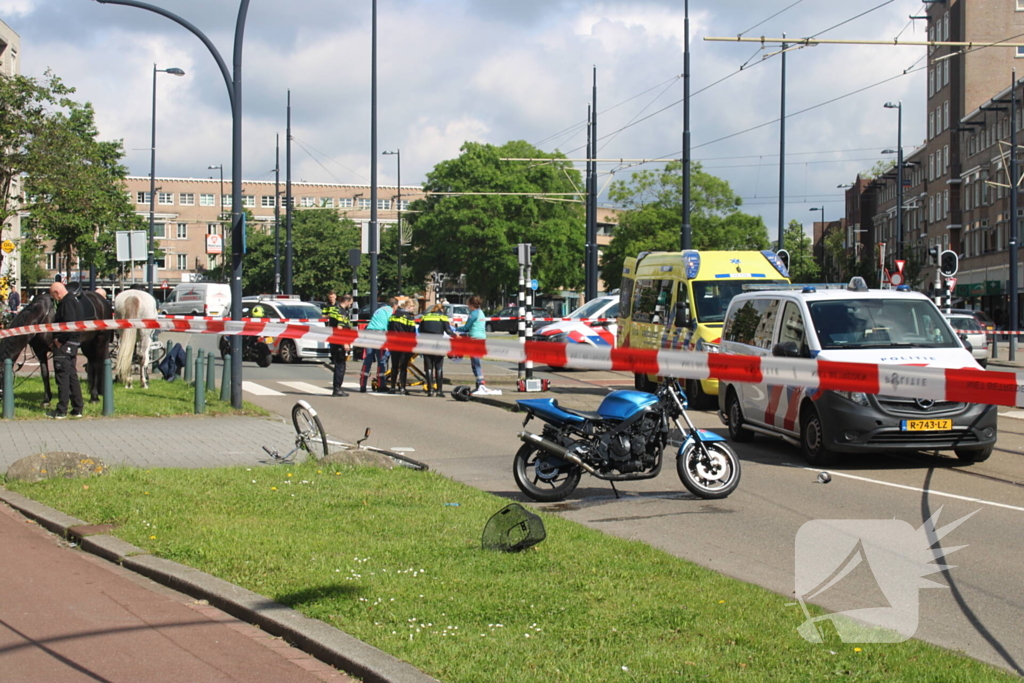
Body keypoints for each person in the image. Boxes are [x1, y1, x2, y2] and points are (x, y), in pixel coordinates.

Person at [48, 282, 84, 419]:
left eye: (53, 295)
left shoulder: (67, 303)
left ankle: (61, 409)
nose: (54, 298)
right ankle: (77, 408)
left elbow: (69, 324)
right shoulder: (74, 301)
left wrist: (59, 340)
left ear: (57, 292)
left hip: (64, 344)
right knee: (71, 376)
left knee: (62, 376)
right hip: (73, 343)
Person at [459, 295, 496, 396]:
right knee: (477, 361)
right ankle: (480, 383)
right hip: (481, 338)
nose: (468, 307)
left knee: (475, 363)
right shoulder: (481, 312)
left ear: (472, 305)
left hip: (474, 339)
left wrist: (456, 328)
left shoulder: (473, 314)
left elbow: (466, 327)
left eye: (468, 305)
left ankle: (480, 383)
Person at [418, 302, 456, 397]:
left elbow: (419, 330)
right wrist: (456, 336)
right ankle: (439, 391)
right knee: (439, 367)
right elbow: (448, 331)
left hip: (427, 344)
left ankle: (430, 390)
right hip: (438, 343)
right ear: (441, 309)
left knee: (429, 368)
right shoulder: (443, 317)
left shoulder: (425, 317)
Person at [360, 297, 397, 392]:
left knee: (368, 359)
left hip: (369, 333)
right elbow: (390, 324)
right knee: (381, 359)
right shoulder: (390, 311)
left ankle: (362, 385)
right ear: (395, 305)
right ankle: (381, 385)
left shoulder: (379, 310)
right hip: (379, 335)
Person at [322, 291, 354, 396]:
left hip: (333, 340)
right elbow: (340, 328)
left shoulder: (334, 310)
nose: (351, 305)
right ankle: (337, 389)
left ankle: (337, 388)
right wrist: (345, 342)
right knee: (341, 366)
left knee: (337, 365)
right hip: (339, 342)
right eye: (351, 303)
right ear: (347, 301)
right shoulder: (342, 312)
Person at [387, 298, 418, 394]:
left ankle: (392, 387)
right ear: (408, 307)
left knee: (394, 366)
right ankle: (402, 388)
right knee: (403, 366)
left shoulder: (393, 316)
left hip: (393, 343)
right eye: (413, 307)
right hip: (404, 344)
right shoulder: (409, 317)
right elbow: (412, 332)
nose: (413, 309)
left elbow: (389, 329)